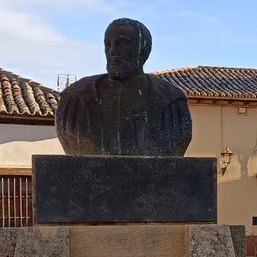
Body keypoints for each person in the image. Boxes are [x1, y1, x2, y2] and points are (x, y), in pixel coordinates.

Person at [55, 18, 192, 157]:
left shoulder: (171, 100)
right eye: (108, 45)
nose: (113, 51)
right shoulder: (76, 98)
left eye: (123, 43)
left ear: (144, 50)